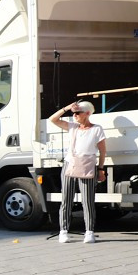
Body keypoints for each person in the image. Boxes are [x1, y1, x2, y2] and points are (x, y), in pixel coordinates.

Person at [49, 100, 106, 243]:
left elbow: (103, 151)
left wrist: (100, 169)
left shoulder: (96, 129)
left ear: (87, 113)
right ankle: (63, 231)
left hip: (88, 166)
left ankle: (89, 232)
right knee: (66, 199)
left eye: (77, 113)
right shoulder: (73, 127)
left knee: (87, 201)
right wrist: (67, 107)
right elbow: (53, 119)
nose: (74, 115)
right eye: (73, 113)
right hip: (70, 164)